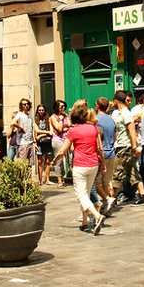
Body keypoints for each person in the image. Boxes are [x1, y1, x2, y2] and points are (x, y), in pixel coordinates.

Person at [52, 102, 108, 235]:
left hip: (80, 166)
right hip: (93, 165)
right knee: (86, 194)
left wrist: (55, 160)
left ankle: (97, 216)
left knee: (81, 195)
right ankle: (84, 222)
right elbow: (99, 149)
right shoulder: (94, 128)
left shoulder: (73, 131)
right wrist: (103, 164)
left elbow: (63, 150)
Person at [110, 91, 144, 206]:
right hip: (125, 146)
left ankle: (111, 200)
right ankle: (143, 196)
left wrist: (134, 146)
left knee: (117, 173)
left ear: (116, 101)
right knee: (132, 172)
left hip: (124, 147)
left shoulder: (125, 113)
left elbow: (131, 131)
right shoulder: (122, 113)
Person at [95, 97, 118, 214]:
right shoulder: (111, 119)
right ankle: (107, 207)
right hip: (111, 153)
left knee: (95, 182)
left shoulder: (96, 120)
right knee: (106, 181)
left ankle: (107, 200)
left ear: (97, 106)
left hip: (101, 154)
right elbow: (115, 137)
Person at [48, 100, 70, 187]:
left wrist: (65, 128)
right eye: (61, 106)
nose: (63, 108)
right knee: (59, 161)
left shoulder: (66, 115)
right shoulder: (53, 117)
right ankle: (59, 180)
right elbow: (59, 129)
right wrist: (61, 120)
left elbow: (70, 125)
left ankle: (65, 176)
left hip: (67, 139)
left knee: (70, 159)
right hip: (57, 140)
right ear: (57, 107)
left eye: (64, 106)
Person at [33, 104, 52, 185]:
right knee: (40, 161)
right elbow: (36, 131)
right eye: (39, 110)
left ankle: (47, 180)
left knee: (47, 161)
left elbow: (52, 131)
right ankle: (40, 180)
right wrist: (46, 133)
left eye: (42, 110)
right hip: (39, 143)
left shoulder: (48, 119)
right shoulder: (35, 120)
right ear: (37, 111)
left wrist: (41, 135)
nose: (41, 112)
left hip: (47, 142)